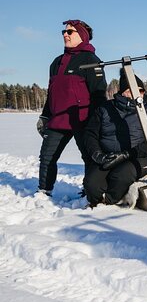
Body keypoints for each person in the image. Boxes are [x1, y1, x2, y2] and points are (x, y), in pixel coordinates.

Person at [37, 20, 107, 196]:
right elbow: (52, 93)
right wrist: (45, 116)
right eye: (64, 31)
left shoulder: (91, 60)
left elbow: (99, 94)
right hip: (58, 119)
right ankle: (44, 190)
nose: (65, 34)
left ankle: (89, 191)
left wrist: (97, 121)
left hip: (83, 120)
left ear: (82, 35)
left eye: (70, 31)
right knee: (47, 157)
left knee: (89, 157)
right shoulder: (56, 62)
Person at [83, 72, 147, 207]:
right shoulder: (104, 109)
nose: (136, 94)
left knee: (120, 176)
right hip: (109, 155)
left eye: (140, 91)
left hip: (139, 157)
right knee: (91, 184)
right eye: (130, 90)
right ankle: (98, 200)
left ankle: (110, 202)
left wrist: (126, 154)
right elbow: (90, 134)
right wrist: (98, 154)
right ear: (122, 92)